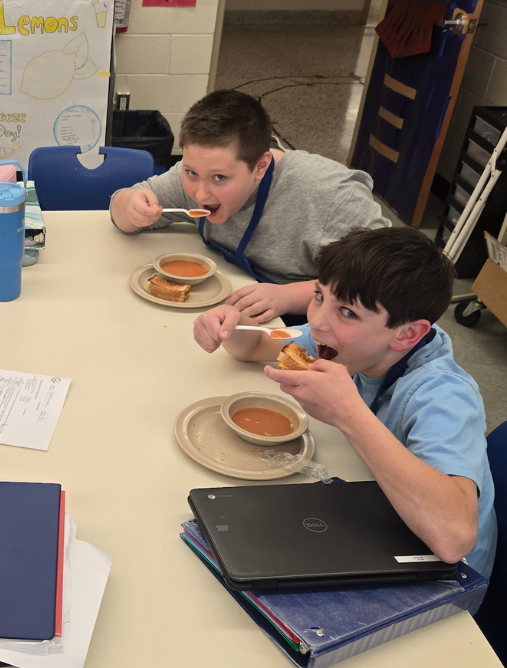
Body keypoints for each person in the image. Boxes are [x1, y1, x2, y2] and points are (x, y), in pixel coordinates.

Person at [193, 226, 496, 581]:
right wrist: (230, 327)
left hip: (441, 578)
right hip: (373, 515)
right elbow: (260, 346)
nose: (316, 322)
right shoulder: (347, 343)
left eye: (348, 312)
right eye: (319, 296)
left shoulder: (443, 395)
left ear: (407, 334)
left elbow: (454, 538)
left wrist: (349, 415)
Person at [110, 90, 390, 321]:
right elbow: (121, 208)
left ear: (260, 167)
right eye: (191, 172)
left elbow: (380, 280)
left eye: (220, 178)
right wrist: (130, 208)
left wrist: (287, 296)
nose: (200, 192)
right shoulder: (198, 172)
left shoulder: (331, 195)